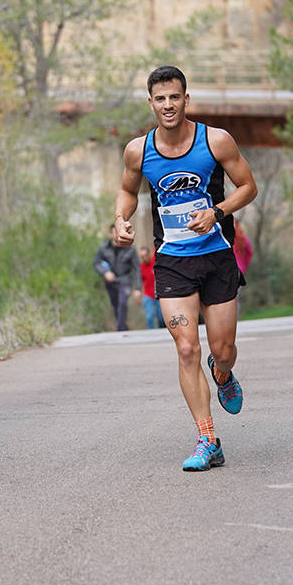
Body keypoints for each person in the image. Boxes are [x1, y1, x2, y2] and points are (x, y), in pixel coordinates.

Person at [112, 65, 257, 471]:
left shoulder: (215, 140)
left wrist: (217, 211)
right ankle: (207, 439)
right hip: (173, 262)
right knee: (186, 347)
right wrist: (121, 219)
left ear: (186, 99)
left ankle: (223, 374)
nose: (168, 105)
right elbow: (127, 190)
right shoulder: (139, 150)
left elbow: (248, 186)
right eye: (160, 98)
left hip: (217, 256)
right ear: (151, 103)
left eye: (175, 97)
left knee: (221, 350)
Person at [93, 226, 139, 331]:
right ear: (110, 234)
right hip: (111, 282)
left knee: (122, 302)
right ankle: (123, 326)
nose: (117, 234)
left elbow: (137, 268)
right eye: (114, 232)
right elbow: (96, 263)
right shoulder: (103, 248)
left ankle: (121, 329)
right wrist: (105, 273)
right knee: (116, 305)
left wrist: (138, 288)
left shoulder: (130, 248)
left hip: (125, 279)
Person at [138, 246, 165, 329]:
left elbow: (157, 247)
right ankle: (152, 333)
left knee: (161, 318)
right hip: (148, 295)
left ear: (149, 254)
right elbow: (138, 282)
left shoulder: (155, 262)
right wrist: (138, 292)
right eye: (142, 257)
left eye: (146, 255)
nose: (144, 258)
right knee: (149, 316)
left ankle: (162, 332)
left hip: (159, 294)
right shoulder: (141, 267)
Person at [232, 219, 253, 316]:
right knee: (235, 297)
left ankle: (231, 321)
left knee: (229, 298)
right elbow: (249, 253)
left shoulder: (226, 239)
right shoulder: (244, 239)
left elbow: (249, 253)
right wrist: (244, 266)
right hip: (239, 271)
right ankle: (234, 320)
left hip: (231, 270)